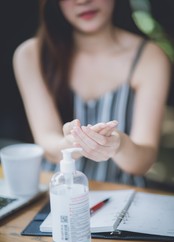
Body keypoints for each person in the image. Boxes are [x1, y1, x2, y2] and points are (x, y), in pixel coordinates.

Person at [12, 0, 171, 186]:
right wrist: (74, 141)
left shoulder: (150, 57)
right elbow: (49, 146)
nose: (83, 1)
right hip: (56, 192)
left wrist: (118, 144)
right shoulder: (31, 54)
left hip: (122, 197)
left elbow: (142, 162)